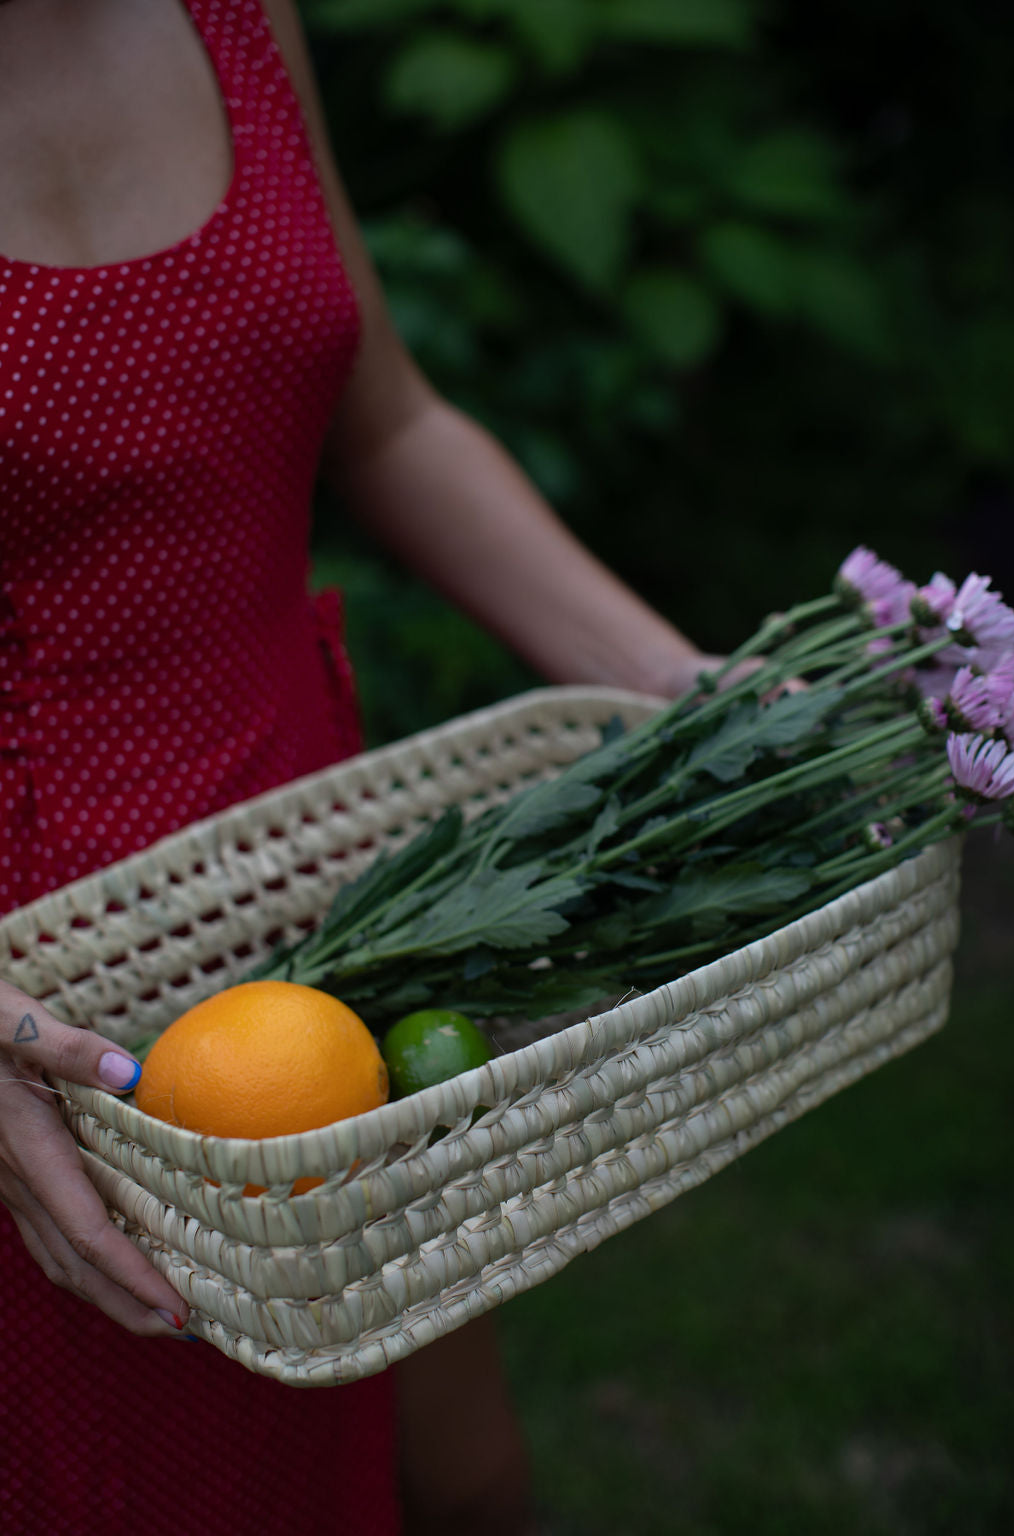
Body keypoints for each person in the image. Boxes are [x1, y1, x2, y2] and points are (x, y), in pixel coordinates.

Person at [0, 3, 731, 1533]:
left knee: (453, 1479)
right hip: (43, 1010)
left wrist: (701, 699)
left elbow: (388, 420)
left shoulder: (233, 17)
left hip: (328, 902)